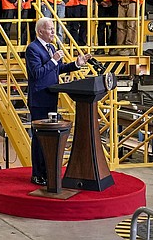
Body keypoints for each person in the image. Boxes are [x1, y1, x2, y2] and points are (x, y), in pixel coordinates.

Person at [26, 17, 92, 185]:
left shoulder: (51, 47)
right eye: (50, 29)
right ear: (40, 31)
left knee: (49, 138)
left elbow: (58, 69)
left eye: (54, 29)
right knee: (39, 138)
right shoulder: (33, 49)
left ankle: (49, 172)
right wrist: (54, 59)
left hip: (51, 97)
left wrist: (77, 64)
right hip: (39, 100)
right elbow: (37, 73)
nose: (54, 32)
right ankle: (37, 174)